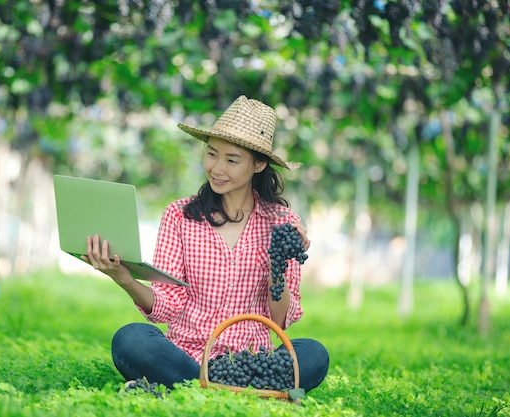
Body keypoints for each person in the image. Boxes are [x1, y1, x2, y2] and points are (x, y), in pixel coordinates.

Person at [82, 95, 329, 393]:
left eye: (232, 160)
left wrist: (278, 263)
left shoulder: (281, 222)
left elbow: (280, 319)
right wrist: (124, 279)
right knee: (131, 339)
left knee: (314, 353)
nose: (217, 168)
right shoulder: (179, 215)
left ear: (259, 164)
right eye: (212, 154)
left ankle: (185, 388)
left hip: (250, 360)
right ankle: (233, 389)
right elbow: (167, 307)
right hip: (185, 355)